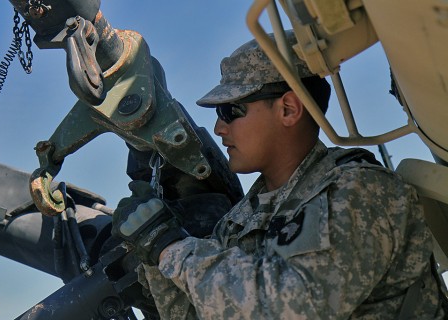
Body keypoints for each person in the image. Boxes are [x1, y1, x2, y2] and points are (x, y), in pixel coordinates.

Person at [111, 30, 444, 319]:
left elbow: (289, 309)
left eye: (230, 111)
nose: (219, 127)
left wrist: (171, 248)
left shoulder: (360, 191)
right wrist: (153, 254)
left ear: (288, 109)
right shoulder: (241, 217)